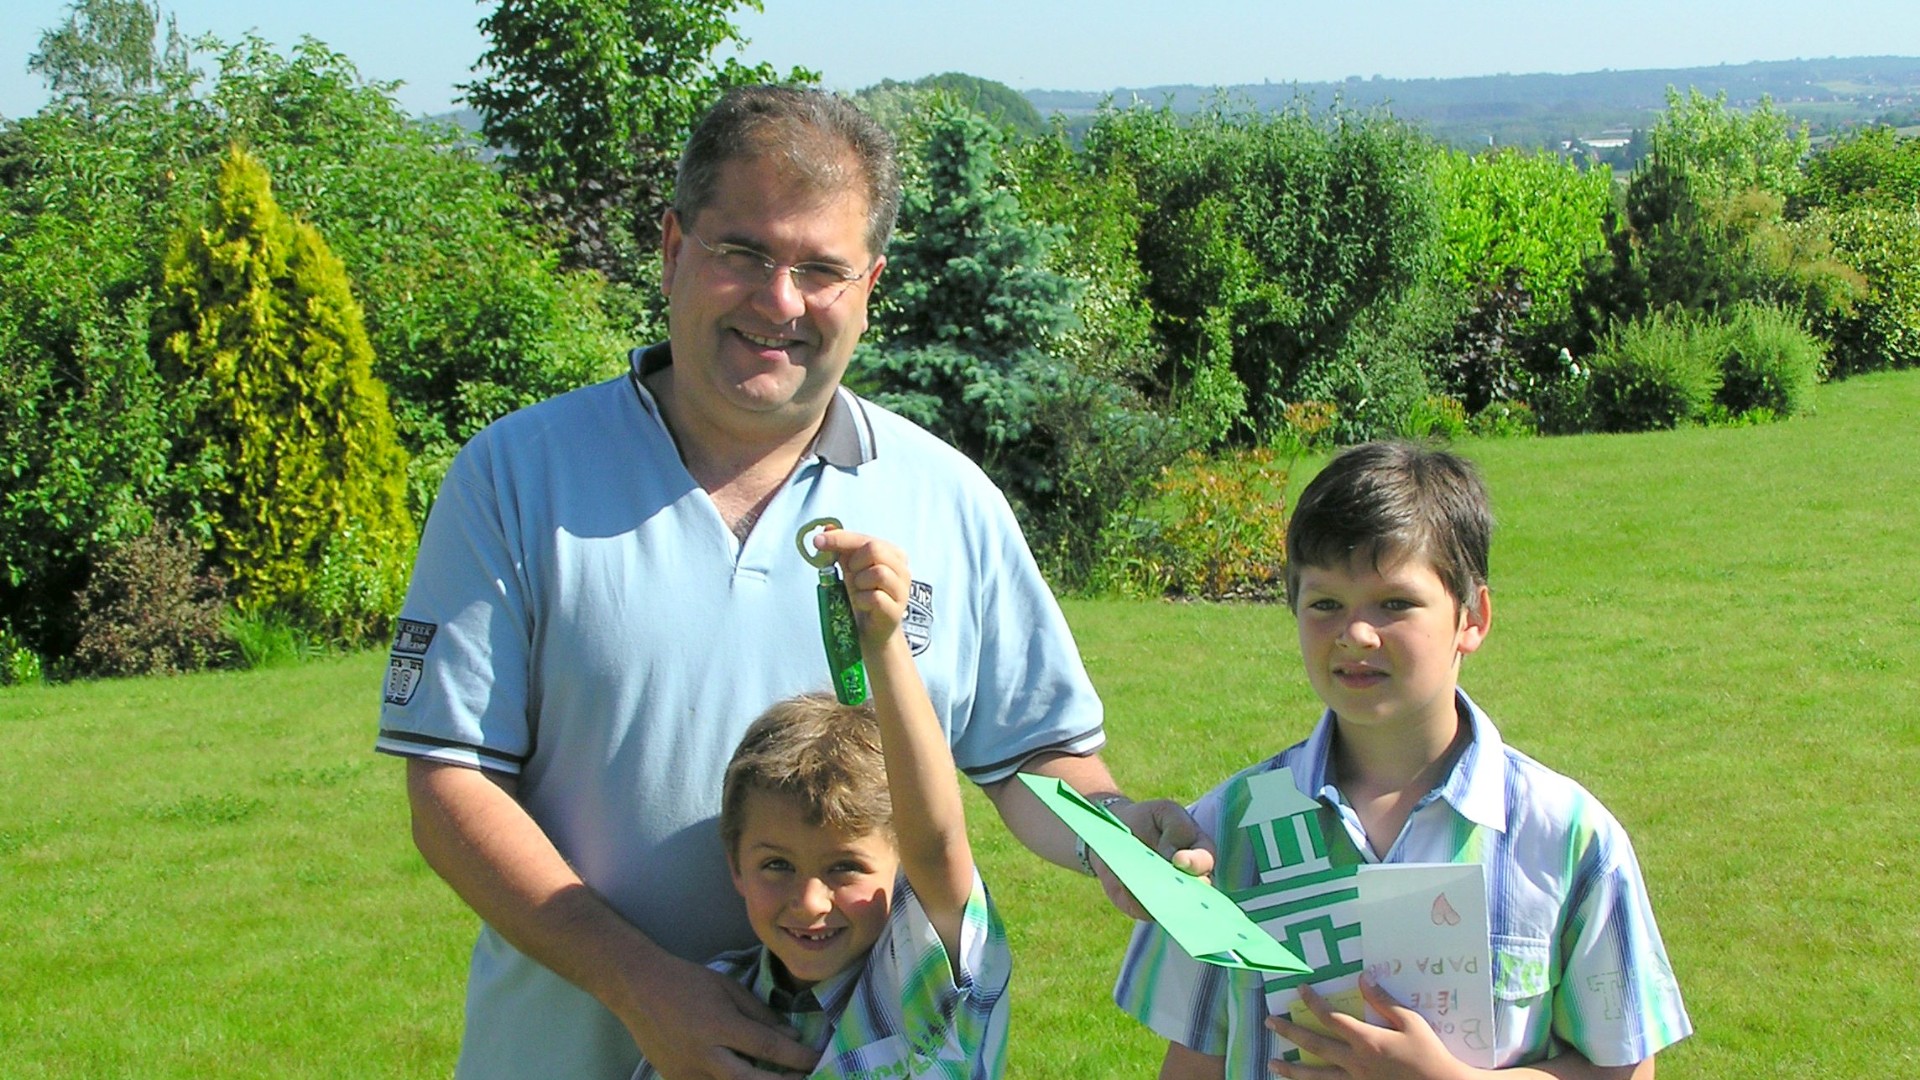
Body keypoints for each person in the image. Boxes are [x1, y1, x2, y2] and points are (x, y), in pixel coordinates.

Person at [376, 84, 1209, 1080]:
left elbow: (1035, 756)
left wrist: (1116, 833)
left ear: (871, 285)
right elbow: (451, 787)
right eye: (743, 252)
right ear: (673, 246)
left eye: (820, 269)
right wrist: (640, 985)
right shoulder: (518, 476)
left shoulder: (948, 498)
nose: (779, 301)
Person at [1114, 442, 1692, 1079]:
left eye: (1394, 603)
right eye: (1326, 604)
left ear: (1472, 618)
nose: (1356, 634)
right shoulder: (1223, 833)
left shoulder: (1566, 837)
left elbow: (1625, 1070)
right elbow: (1193, 1060)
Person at [637, 526, 1010, 1079]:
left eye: (844, 867)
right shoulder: (707, 1006)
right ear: (735, 862)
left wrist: (884, 643)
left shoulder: (921, 985)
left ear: (901, 864)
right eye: (776, 865)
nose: (810, 902)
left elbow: (936, 844)